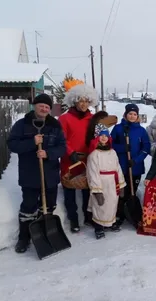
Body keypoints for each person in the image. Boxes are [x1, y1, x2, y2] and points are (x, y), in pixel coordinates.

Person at [7, 94, 66, 253]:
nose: (44, 109)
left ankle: (44, 233)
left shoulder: (55, 125)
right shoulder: (22, 124)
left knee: (48, 206)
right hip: (30, 174)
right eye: (41, 105)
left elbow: (62, 147)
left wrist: (48, 153)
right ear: (35, 106)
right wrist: (31, 143)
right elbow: (12, 144)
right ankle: (24, 238)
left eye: (47, 107)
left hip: (50, 175)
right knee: (28, 208)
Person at [58, 83, 97, 233]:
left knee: (87, 189)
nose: (83, 104)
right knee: (70, 190)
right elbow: (62, 139)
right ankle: (73, 219)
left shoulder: (92, 119)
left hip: (88, 160)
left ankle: (87, 216)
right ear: (74, 101)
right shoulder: (64, 118)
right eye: (80, 100)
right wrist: (70, 152)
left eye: (86, 101)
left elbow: (98, 137)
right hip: (70, 160)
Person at [110, 104, 151, 227]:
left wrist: (136, 160)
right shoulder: (118, 128)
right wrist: (122, 148)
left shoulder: (141, 130)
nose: (132, 116)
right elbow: (110, 145)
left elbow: (146, 147)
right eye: (130, 114)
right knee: (122, 192)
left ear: (137, 116)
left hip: (136, 167)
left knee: (131, 192)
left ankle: (132, 213)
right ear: (125, 114)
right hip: (121, 166)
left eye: (134, 114)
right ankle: (120, 215)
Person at [86, 124, 126, 239]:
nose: (104, 138)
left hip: (113, 183)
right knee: (100, 205)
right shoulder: (94, 154)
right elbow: (92, 173)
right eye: (101, 136)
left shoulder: (112, 152)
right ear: (97, 137)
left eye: (106, 136)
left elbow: (117, 168)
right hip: (101, 183)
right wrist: (97, 190)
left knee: (112, 203)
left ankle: (110, 223)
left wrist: (121, 184)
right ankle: (98, 227)